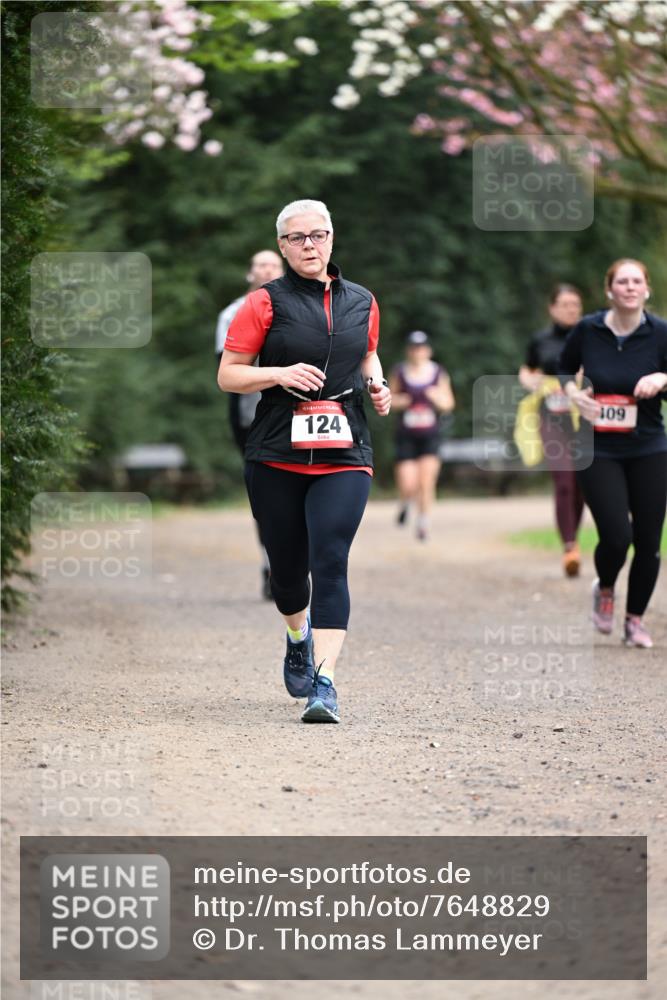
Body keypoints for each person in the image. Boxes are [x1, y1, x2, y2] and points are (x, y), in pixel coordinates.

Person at [217, 199, 391, 722]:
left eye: (318, 235)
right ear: (282, 246)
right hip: (276, 451)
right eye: (297, 238)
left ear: (332, 238)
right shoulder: (263, 303)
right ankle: (298, 636)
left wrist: (378, 384)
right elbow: (229, 374)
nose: (309, 245)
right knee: (289, 574)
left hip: (345, 448)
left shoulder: (362, 301)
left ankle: (325, 683)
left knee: (330, 560)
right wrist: (278, 374)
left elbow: (367, 353)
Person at [559, 259, 667, 648]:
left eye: (637, 281)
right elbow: (563, 369)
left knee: (649, 541)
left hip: (649, 445)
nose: (630, 287)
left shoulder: (661, 333)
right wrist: (575, 395)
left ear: (647, 289)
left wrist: (663, 378)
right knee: (618, 536)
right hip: (597, 447)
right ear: (610, 290)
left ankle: (635, 620)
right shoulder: (588, 329)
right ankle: (605, 587)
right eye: (622, 281)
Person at [215, 250, 284, 599]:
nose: (267, 270)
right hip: (251, 415)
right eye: (260, 265)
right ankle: (270, 564)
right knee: (265, 493)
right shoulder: (231, 314)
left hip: (298, 414)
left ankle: (296, 564)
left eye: (273, 265)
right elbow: (228, 370)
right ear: (250, 273)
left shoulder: (304, 308)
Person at [518, 284, 585, 576]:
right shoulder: (540, 339)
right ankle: (569, 547)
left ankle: (574, 540)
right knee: (564, 481)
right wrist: (528, 380)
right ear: (552, 308)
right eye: (565, 304)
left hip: (583, 419)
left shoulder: (590, 336)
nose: (571, 309)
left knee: (581, 486)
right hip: (551, 417)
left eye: (576, 304)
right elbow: (527, 369)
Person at [389, 330, 455, 541]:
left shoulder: (438, 373)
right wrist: (401, 401)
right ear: (408, 351)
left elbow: (449, 403)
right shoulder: (399, 372)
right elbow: (388, 400)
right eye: (414, 348)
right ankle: (405, 502)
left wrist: (437, 398)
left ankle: (423, 522)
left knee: (426, 482)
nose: (417, 352)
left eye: (421, 348)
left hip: (430, 435)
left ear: (428, 350)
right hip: (406, 436)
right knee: (408, 484)